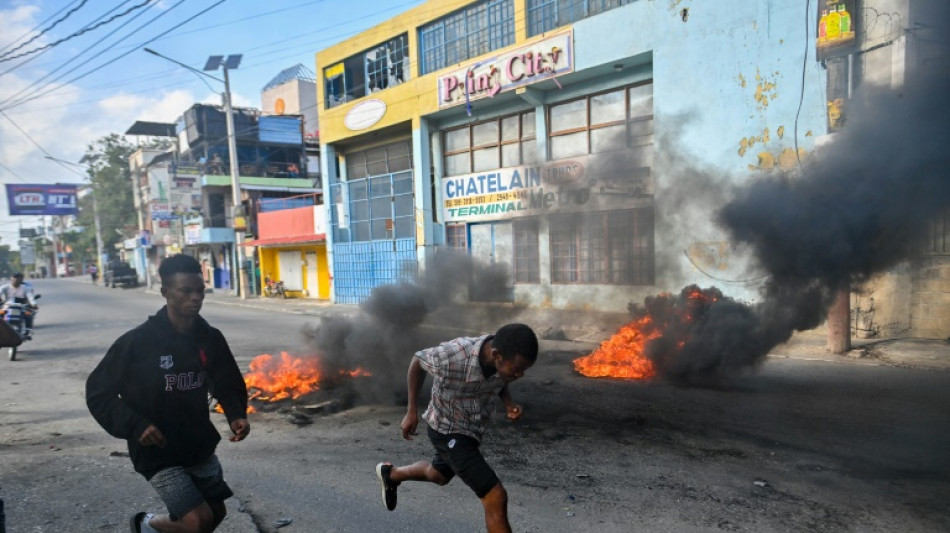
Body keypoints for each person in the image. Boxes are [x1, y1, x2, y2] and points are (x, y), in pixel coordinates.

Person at [85, 254, 250, 533]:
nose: (196, 298)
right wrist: (137, 425)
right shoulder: (137, 342)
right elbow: (99, 393)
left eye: (200, 291)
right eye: (186, 291)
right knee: (196, 522)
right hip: (156, 449)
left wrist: (236, 415)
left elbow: (228, 381)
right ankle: (145, 524)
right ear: (165, 292)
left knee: (215, 512)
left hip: (197, 444)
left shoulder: (211, 338)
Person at [376, 323, 539, 533]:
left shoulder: (499, 359)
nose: (520, 375)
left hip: (472, 428)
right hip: (447, 428)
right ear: (496, 354)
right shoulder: (452, 355)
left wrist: (508, 403)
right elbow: (418, 361)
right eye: (517, 370)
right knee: (495, 495)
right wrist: (411, 411)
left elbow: (500, 378)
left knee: (438, 475)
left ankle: (391, 474)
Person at [0, 273, 37, 340]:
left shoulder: (25, 288)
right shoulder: (4, 288)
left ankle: (28, 332)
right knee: (0, 314)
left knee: (29, 315)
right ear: (11, 279)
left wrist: (33, 304)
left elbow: (30, 297)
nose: (15, 282)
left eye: (18, 280)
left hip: (21, 307)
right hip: (7, 307)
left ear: (21, 280)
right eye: (14, 280)